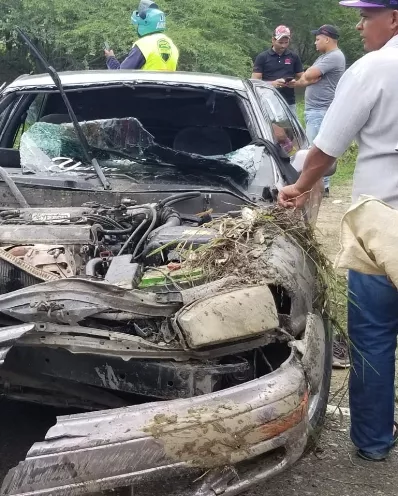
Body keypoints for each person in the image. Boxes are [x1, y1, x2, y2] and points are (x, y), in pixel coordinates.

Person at [278, 0, 398, 462]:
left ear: (394, 18)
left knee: (372, 336)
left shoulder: (374, 69)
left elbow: (326, 151)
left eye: (368, 16)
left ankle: (373, 441)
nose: (359, 24)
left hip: (382, 228)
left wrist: (299, 188)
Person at [294, 25, 346, 197]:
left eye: (317, 39)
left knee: (316, 150)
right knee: (315, 148)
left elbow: (308, 75)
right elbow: (303, 79)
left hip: (321, 110)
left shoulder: (334, 57)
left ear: (327, 39)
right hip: (315, 110)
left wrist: (308, 77)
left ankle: (318, 187)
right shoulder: (324, 57)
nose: (315, 43)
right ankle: (318, 186)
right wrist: (308, 78)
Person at [105, 1, 179, 71]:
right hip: (166, 84)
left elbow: (121, 74)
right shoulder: (171, 45)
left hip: (146, 84)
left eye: (138, 24)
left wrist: (110, 58)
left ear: (145, 23)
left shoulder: (144, 45)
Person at [252, 26, 304, 114]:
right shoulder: (262, 57)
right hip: (268, 100)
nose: (283, 45)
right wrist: (272, 84)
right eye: (280, 42)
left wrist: (295, 83)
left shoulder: (293, 57)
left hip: (288, 101)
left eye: (286, 42)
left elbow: (303, 77)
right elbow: (254, 81)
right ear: (273, 40)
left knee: (289, 128)